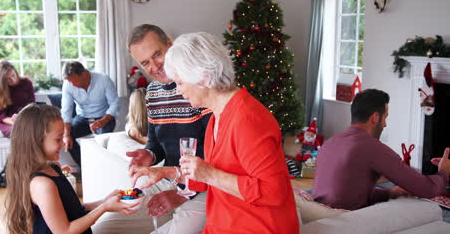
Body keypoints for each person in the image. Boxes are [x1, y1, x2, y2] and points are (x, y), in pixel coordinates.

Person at [130, 32, 299, 233]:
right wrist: (165, 172)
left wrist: (210, 175)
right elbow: (206, 178)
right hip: (223, 224)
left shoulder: (248, 120)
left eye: (181, 82)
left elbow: (273, 192)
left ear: (204, 77)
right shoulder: (217, 117)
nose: (177, 90)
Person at [127, 24, 212, 234]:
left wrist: (182, 193)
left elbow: (216, 155)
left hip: (205, 185)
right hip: (169, 178)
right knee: (113, 219)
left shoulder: (199, 87)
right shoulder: (153, 92)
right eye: (145, 63)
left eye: (157, 54)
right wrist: (148, 154)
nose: (154, 66)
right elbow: (155, 144)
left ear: (170, 45)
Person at [4, 104, 137, 234]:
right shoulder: (42, 184)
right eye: (57, 139)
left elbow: (73, 210)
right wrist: (104, 208)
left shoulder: (53, 167)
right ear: (36, 141)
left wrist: (104, 201)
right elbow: (64, 231)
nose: (63, 144)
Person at [313, 89, 450, 210]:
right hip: (348, 222)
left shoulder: (329, 143)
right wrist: (444, 172)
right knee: (419, 211)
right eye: (385, 117)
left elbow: (348, 192)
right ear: (375, 117)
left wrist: (390, 193)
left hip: (320, 217)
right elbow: (427, 189)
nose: (385, 124)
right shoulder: (372, 148)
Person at [61, 61, 119, 167]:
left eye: (74, 81)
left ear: (84, 74)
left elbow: (114, 103)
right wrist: (66, 135)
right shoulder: (68, 85)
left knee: (102, 140)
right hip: (82, 117)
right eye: (70, 82)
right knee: (67, 138)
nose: (72, 84)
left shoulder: (103, 79)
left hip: (104, 117)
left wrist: (103, 120)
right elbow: (66, 110)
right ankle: (86, 167)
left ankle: (104, 169)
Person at [0, 60, 35, 137]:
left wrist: (27, 119)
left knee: (37, 129)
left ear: (16, 72)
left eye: (13, 75)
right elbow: (1, 116)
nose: (13, 80)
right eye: (8, 79)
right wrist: (15, 122)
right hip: (8, 121)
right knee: (19, 131)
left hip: (26, 117)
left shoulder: (26, 83)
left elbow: (32, 104)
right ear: (1, 81)